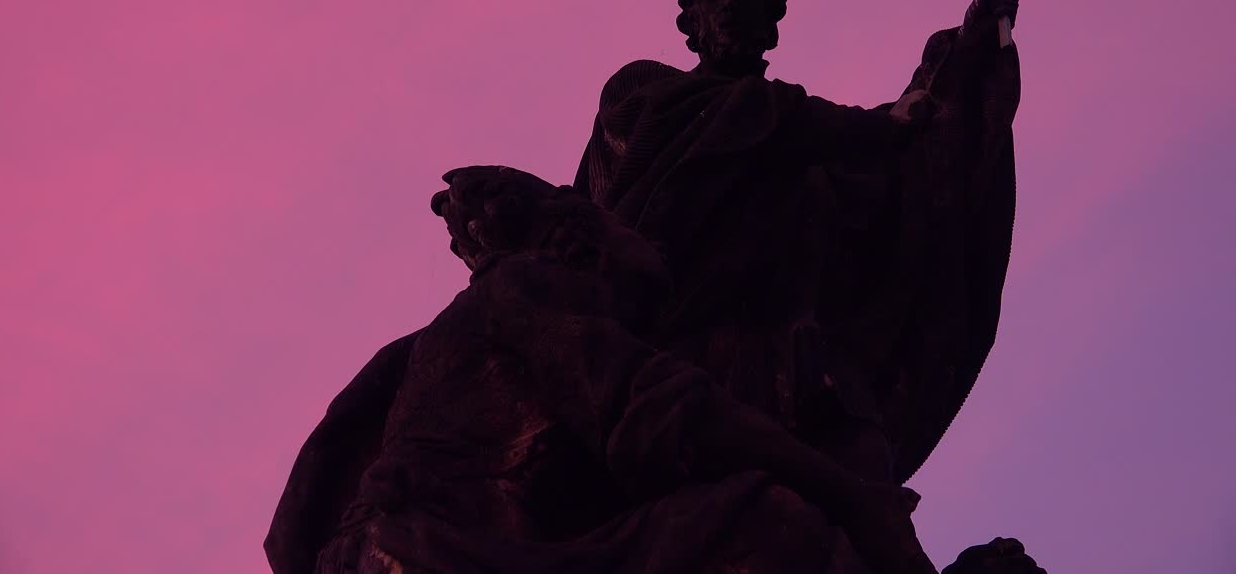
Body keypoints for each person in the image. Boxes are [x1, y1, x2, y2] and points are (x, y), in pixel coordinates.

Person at [304, 167, 934, 573]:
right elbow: (665, 411)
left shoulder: (451, 331)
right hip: (436, 554)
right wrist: (851, 496)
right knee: (769, 522)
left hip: (407, 550)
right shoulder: (524, 288)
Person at [573, 0, 1021, 485]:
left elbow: (901, 160)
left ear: (771, 24)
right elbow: (754, 122)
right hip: (673, 347)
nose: (731, 3)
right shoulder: (647, 90)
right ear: (690, 20)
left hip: (791, 360)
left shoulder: (806, 154)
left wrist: (963, 59)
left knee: (861, 474)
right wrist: (872, 126)